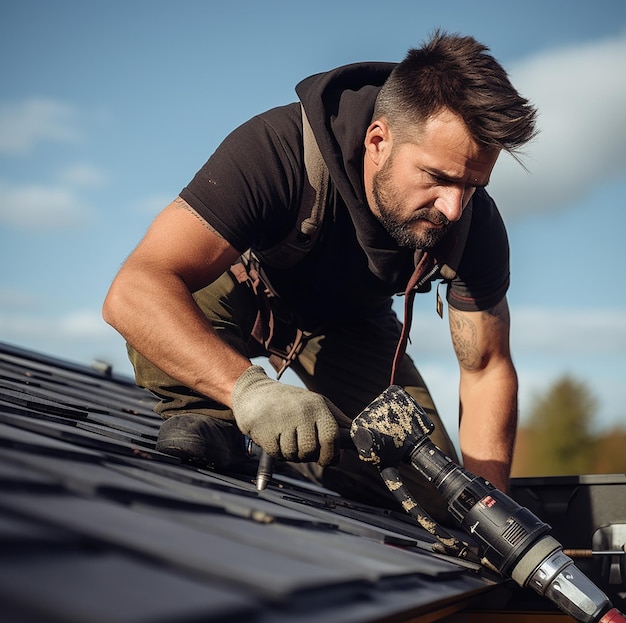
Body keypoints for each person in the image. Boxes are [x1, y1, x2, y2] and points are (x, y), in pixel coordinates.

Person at [103, 30, 537, 519]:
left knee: (435, 494)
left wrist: (488, 508)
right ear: (378, 140)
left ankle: (302, 454)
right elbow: (136, 287)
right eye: (438, 178)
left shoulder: (474, 225)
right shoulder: (279, 149)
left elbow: (486, 369)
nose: (454, 207)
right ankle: (211, 416)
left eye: (473, 185)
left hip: (352, 324)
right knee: (194, 384)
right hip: (242, 293)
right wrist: (250, 391)